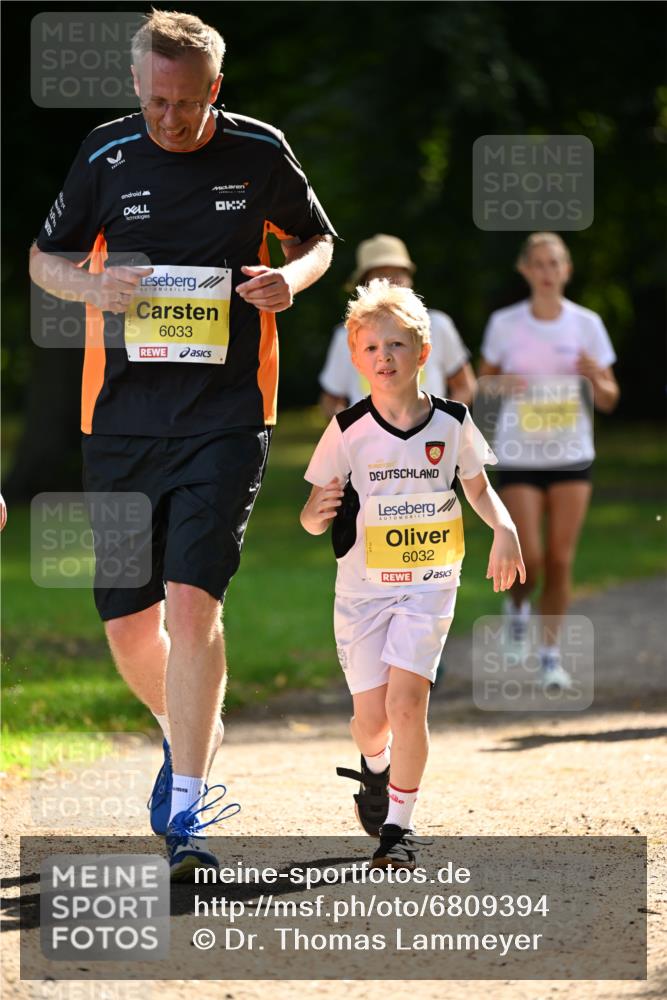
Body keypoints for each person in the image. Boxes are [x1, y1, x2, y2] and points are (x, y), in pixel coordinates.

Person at [29, 9, 335, 880]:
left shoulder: (259, 150)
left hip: (226, 413)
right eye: (157, 101)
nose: (171, 119)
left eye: (189, 103)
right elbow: (44, 258)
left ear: (215, 89)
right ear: (137, 86)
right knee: (129, 625)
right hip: (121, 419)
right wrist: (92, 286)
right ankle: (187, 727)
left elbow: (316, 239)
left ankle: (190, 809)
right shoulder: (105, 154)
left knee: (194, 601)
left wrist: (290, 279)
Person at [300, 280, 525, 868]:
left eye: (397, 345)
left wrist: (504, 529)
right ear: (357, 358)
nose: (385, 357)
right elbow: (312, 515)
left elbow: (478, 487)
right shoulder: (347, 429)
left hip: (429, 584)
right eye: (372, 348)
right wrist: (315, 513)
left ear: (423, 353)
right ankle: (375, 767)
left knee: (408, 705)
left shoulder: (452, 421)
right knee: (371, 722)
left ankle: (398, 828)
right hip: (362, 593)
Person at [478, 232, 619, 691]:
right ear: (524, 270)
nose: (546, 271)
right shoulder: (504, 324)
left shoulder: (586, 324)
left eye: (554, 263)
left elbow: (610, 398)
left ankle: (550, 656)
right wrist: (501, 385)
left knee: (560, 559)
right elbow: (481, 389)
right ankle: (518, 607)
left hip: (571, 454)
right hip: (519, 453)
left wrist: (595, 378)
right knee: (530, 558)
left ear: (567, 270)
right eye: (537, 263)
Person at [318, 234, 476, 418]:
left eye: (397, 273)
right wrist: (353, 430)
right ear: (364, 284)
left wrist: (441, 423)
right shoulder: (347, 334)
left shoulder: (438, 325)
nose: (390, 282)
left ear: (409, 279)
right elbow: (331, 400)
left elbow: (465, 386)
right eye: (380, 274)